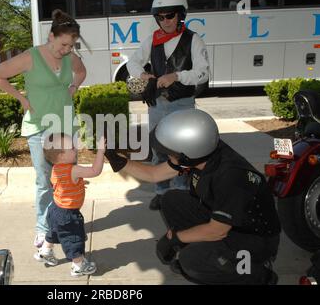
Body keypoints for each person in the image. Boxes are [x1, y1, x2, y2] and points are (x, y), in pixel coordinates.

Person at [104, 109, 281, 285]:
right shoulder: (203, 152)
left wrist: (175, 238)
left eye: (170, 152)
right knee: (171, 200)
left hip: (254, 239)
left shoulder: (231, 177)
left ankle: (257, 275)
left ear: (187, 153)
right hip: (229, 221)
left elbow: (218, 230)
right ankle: (204, 251)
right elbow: (154, 174)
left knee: (192, 261)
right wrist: (118, 160)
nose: (166, 155)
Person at [0, 10, 87, 248]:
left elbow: (81, 71)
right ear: (51, 36)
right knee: (44, 181)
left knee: (67, 180)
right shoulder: (30, 57)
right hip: (40, 127)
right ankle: (44, 229)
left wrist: (73, 86)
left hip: (65, 124)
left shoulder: (69, 57)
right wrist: (21, 99)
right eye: (63, 44)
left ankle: (67, 222)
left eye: (71, 46)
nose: (66, 50)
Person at [126, 0, 210, 211]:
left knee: (182, 151)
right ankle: (161, 192)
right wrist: (143, 75)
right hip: (157, 105)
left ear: (180, 15)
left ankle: (181, 191)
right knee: (159, 150)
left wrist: (177, 76)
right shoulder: (152, 40)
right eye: (160, 17)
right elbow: (132, 63)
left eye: (170, 15)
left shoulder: (193, 40)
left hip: (183, 105)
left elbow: (204, 73)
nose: (165, 21)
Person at [35, 133, 105, 276]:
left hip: (55, 208)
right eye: (72, 147)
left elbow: (61, 185)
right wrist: (101, 151)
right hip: (68, 213)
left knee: (54, 230)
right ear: (61, 156)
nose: (76, 148)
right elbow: (95, 171)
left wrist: (77, 186)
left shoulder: (55, 168)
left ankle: (46, 251)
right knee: (73, 238)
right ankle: (78, 265)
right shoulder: (73, 169)